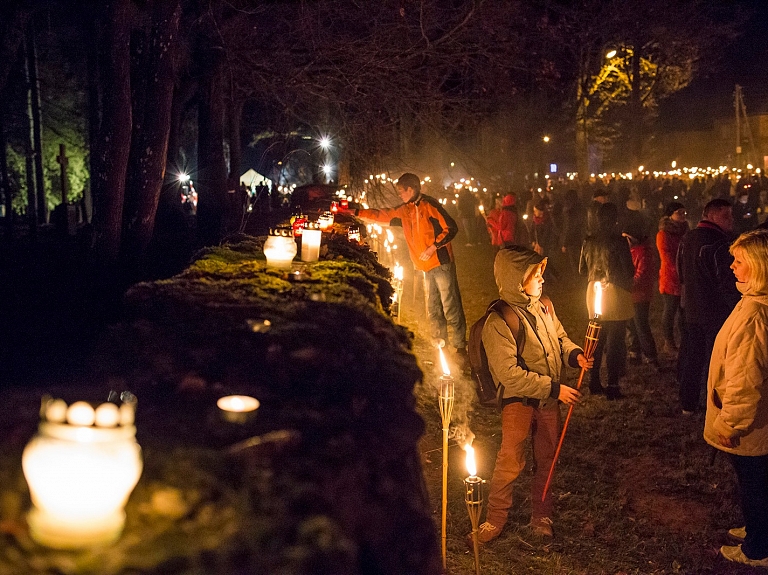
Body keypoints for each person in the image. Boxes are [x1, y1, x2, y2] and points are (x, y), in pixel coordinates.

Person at [472, 246, 592, 544]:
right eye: (534, 274)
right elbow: (509, 374)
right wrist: (554, 388)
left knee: (547, 457)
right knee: (511, 458)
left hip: (550, 399)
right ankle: (495, 518)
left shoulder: (544, 307)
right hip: (520, 401)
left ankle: (542, 515)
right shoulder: (498, 322)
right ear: (516, 280)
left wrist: (574, 354)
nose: (542, 279)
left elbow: (560, 338)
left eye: (541, 272)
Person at [704, 229, 768, 567]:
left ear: (758, 266)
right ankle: (759, 528)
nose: (731, 266)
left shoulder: (756, 314)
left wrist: (730, 422)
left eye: (739, 261)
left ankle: (759, 547)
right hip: (757, 421)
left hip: (752, 425)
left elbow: (744, 379)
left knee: (754, 481)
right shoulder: (754, 302)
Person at [352, 173, 468, 359]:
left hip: (441, 263)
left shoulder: (430, 205)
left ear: (411, 189)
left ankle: (460, 348)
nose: (399, 195)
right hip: (424, 267)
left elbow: (451, 227)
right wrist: (357, 213)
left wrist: (433, 247)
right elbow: (384, 214)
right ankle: (441, 345)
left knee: (450, 305)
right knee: (433, 307)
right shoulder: (404, 210)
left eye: (401, 191)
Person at [677, 198, 740, 414]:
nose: (731, 220)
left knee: (693, 356)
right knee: (717, 360)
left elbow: (680, 274)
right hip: (715, 312)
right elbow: (726, 281)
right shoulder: (718, 244)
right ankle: (715, 404)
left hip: (691, 309)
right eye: (726, 215)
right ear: (711, 215)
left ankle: (688, 403)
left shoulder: (687, 239)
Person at [579, 202, 635, 400]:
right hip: (615, 291)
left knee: (597, 337)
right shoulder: (618, 242)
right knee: (615, 339)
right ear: (615, 219)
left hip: (593, 291)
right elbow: (629, 270)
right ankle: (612, 384)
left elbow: (582, 270)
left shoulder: (588, 241)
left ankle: (593, 381)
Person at [656, 202, 688, 354]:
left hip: (685, 277)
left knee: (684, 312)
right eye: (679, 213)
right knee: (670, 311)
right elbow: (667, 257)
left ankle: (685, 341)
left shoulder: (686, 231)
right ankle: (668, 342)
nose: (682, 216)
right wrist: (681, 269)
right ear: (670, 215)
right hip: (671, 278)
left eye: (684, 213)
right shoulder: (663, 234)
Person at [625, 230, 659, 368]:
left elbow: (641, 274)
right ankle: (634, 352)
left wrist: (628, 284)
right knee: (631, 324)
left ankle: (651, 356)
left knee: (641, 325)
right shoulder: (632, 251)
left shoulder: (643, 252)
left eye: (626, 238)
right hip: (632, 294)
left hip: (640, 295)